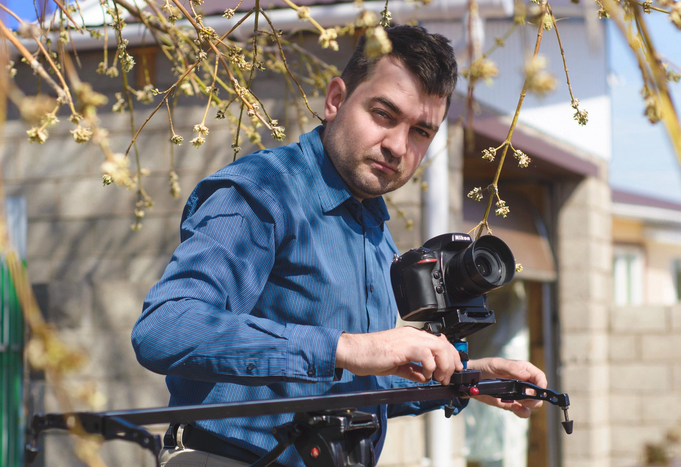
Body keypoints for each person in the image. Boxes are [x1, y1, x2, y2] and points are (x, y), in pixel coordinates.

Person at [132, 25, 546, 467]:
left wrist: (469, 378)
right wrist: (345, 348)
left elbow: (356, 382)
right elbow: (165, 327)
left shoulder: (374, 228)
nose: (398, 145)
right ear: (335, 100)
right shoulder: (263, 191)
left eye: (421, 131)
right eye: (383, 114)